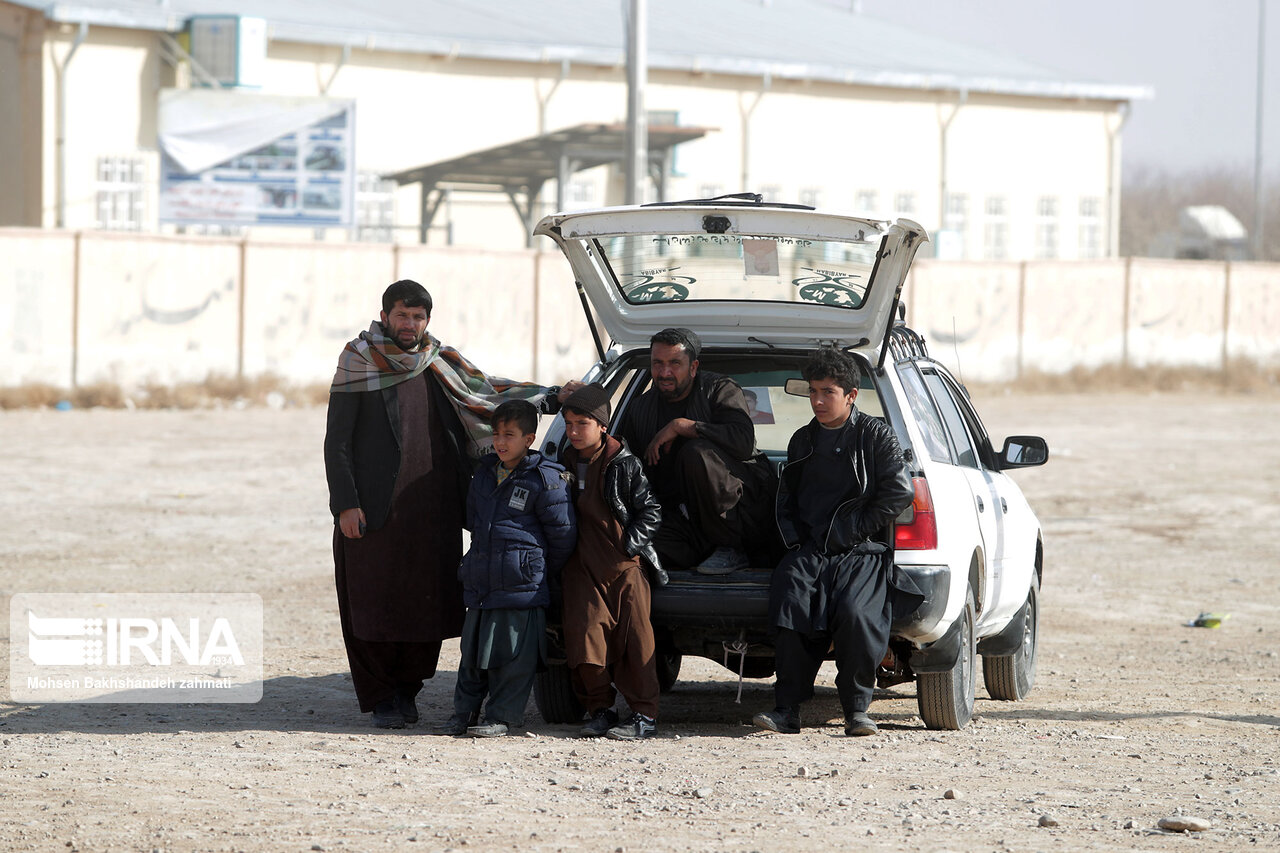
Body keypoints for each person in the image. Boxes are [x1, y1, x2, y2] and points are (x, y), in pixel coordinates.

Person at [324, 279, 576, 729]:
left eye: (418, 317)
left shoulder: (439, 362)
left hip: (432, 510)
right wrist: (346, 504)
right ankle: (382, 695)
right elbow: (337, 443)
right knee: (372, 602)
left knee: (426, 602)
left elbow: (488, 395)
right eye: (402, 315)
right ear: (385, 316)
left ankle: (409, 690)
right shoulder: (357, 362)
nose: (410, 324)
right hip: (373, 512)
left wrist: (555, 395)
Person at [753, 346, 921, 737]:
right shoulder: (802, 440)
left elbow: (898, 494)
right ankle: (786, 710)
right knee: (791, 606)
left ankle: (857, 711)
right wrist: (795, 543)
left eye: (827, 392)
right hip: (811, 551)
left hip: (861, 551)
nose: (817, 400)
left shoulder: (876, 435)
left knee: (857, 615)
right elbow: (786, 498)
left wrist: (852, 531)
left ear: (850, 395)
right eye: (813, 391)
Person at [433, 400, 576, 738]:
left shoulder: (546, 479)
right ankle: (463, 714)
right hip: (483, 581)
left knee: (513, 657)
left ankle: (502, 716)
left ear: (529, 438)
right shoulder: (483, 472)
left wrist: (532, 567)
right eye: (496, 434)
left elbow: (563, 536)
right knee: (472, 654)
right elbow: (474, 520)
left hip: (521, 587)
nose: (500, 442)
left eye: (509, 435)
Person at [614, 328, 774, 574]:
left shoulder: (719, 389)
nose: (664, 372)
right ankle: (703, 557)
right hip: (681, 520)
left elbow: (742, 441)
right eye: (657, 363)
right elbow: (624, 465)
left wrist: (684, 426)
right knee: (628, 548)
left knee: (696, 453)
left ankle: (730, 548)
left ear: (693, 366)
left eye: (674, 363)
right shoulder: (640, 408)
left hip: (740, 514)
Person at [559, 383, 664, 740]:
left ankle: (644, 716)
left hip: (624, 565)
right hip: (582, 566)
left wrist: (628, 544)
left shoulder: (624, 462)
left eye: (581, 423)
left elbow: (651, 510)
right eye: (568, 423)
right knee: (585, 636)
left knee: (637, 639)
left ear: (602, 425)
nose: (573, 431)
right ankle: (600, 709)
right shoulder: (563, 461)